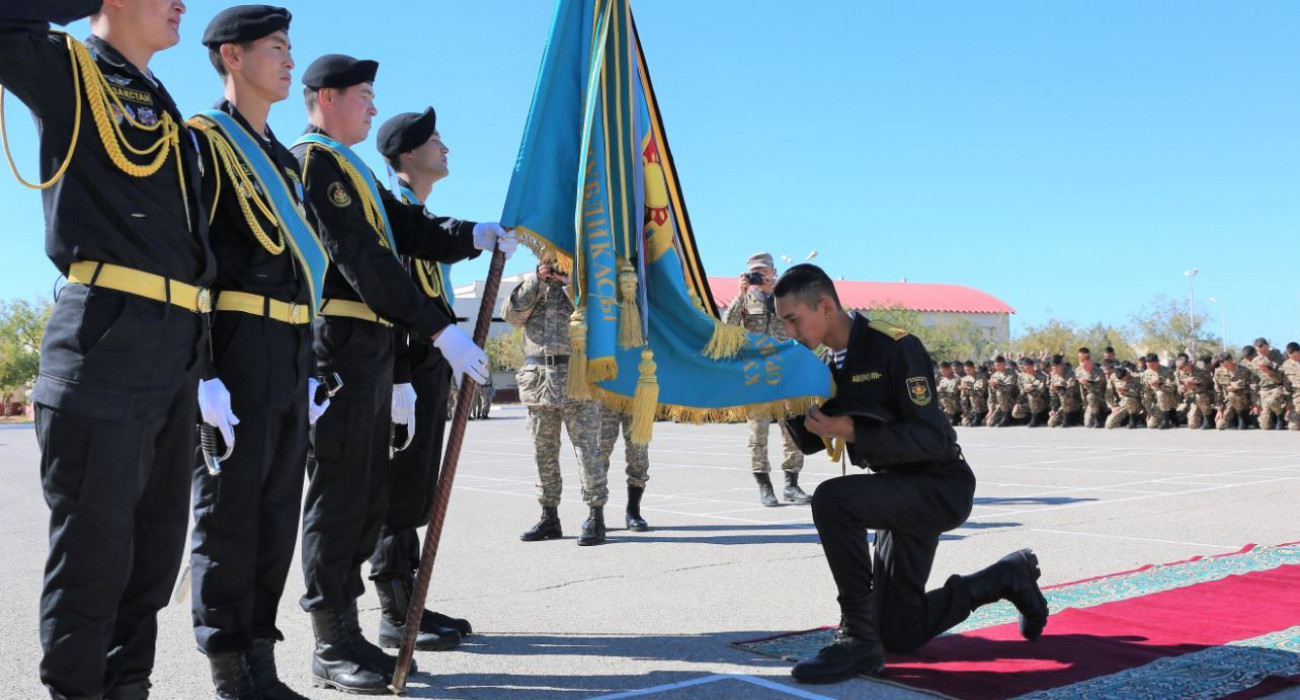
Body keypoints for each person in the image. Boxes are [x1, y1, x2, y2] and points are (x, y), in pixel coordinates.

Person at [0, 2, 214, 698]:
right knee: (94, 556)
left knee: (152, 559)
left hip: (175, 342)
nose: (183, 2)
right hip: (108, 336)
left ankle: (128, 689)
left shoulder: (160, 99)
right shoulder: (70, 67)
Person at [291, 54, 506, 692]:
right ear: (327, 99)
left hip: (372, 341)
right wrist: (438, 329)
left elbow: (407, 228)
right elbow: (361, 257)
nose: (374, 108)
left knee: (365, 496)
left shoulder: (351, 168)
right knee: (339, 495)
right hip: (341, 339)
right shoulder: (316, 161)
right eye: (364, 95)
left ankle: (351, 633)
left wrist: (474, 233)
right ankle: (332, 642)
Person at [772, 265, 1048, 684]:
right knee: (901, 633)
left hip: (937, 486)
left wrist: (852, 431)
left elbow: (933, 438)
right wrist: (782, 394)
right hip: (895, 493)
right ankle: (1006, 577)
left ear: (825, 306)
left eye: (794, 319)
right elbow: (810, 442)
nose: (789, 331)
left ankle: (856, 639)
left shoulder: (893, 347)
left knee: (832, 500)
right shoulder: (825, 364)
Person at [185, 8, 328, 700]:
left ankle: (262, 662)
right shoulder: (204, 141)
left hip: (289, 349)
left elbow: (305, 270)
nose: (288, 59)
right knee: (228, 513)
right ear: (231, 56)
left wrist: (310, 363)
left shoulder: (284, 160)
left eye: (291, 48)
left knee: (275, 511)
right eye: (276, 48)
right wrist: (202, 371)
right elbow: (193, 262)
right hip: (236, 347)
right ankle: (229, 672)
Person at [366, 108, 485, 661]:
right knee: (396, 491)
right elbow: (386, 299)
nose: (445, 148)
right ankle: (393, 614)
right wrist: (396, 375)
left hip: (428, 365)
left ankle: (411, 599)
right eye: (435, 141)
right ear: (407, 155)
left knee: (414, 488)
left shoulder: (420, 215)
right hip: (404, 366)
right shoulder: (390, 214)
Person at [503, 256, 609, 545]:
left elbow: (602, 318)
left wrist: (571, 285)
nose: (555, 269)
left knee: (587, 450)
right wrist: (537, 281)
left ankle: (596, 515)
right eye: (551, 263)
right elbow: (511, 316)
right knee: (543, 451)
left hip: (577, 379)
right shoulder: (533, 288)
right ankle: (549, 516)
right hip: (538, 381)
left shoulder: (584, 289)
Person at [723, 252, 812, 506]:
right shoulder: (747, 300)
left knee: (794, 430)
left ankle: (791, 485)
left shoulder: (785, 297)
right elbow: (728, 327)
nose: (760, 275)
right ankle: (764, 486)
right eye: (755, 271)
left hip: (786, 375)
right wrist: (740, 296)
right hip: (757, 376)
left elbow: (804, 328)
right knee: (757, 434)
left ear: (773, 272)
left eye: (764, 271)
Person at [596, 404, 652, 531]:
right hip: (606, 394)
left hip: (638, 396)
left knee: (639, 455)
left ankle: (633, 511)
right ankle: (596, 514)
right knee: (598, 456)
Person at [1174, 354, 1215, 430]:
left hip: (1206, 396)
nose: (1183, 371)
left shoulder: (1202, 371)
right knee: (1193, 425)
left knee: (1200, 396)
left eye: (1184, 369)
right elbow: (1179, 389)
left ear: (1188, 364)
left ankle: (1208, 419)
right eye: (1180, 369)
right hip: (1191, 399)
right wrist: (1181, 389)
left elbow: (1206, 387)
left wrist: (1194, 386)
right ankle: (1201, 416)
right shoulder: (1178, 373)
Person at [1214, 354, 1255, 430]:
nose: (1225, 367)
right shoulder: (1219, 372)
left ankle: (1242, 417)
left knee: (1233, 394)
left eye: (1226, 365)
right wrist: (1219, 410)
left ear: (1231, 361)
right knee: (1220, 426)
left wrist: (1254, 404)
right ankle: (1234, 419)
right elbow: (1218, 391)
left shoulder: (1245, 371)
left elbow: (1252, 387)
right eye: (1222, 365)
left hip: (1244, 402)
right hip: (1228, 403)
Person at [1140, 353, 1179, 429]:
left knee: (1160, 393)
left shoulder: (1168, 371)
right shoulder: (1146, 374)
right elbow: (1147, 393)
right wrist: (1148, 410)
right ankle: (1171, 415)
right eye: (1149, 366)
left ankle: (1166, 420)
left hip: (1171, 399)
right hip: (1158, 402)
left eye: (1152, 365)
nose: (1151, 368)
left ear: (1158, 362)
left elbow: (1172, 388)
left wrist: (1159, 385)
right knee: (1151, 425)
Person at [1075, 348, 1107, 428]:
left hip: (1098, 400)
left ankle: (1098, 418)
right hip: (1084, 400)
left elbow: (1098, 389)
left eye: (1084, 359)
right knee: (1087, 424)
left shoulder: (1098, 371)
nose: (1081, 361)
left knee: (1091, 396)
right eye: (1080, 359)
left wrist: (1087, 384)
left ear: (1089, 360)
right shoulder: (1078, 370)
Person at [985, 356, 1017, 427]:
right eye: (995, 365)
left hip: (1012, 401)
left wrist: (998, 384)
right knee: (989, 423)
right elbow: (991, 395)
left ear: (1004, 364)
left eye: (998, 365)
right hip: (999, 404)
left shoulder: (1012, 373)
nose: (997, 367)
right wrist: (991, 410)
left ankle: (1006, 417)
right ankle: (1004, 417)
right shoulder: (994, 376)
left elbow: (1009, 388)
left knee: (1000, 392)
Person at [959, 361, 987, 427]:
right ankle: (972, 416)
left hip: (982, 405)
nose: (967, 372)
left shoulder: (981, 377)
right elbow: (963, 397)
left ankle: (978, 416)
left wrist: (967, 388)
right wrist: (965, 411)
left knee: (974, 396)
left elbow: (980, 392)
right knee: (965, 423)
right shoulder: (964, 379)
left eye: (969, 370)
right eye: (966, 370)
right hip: (971, 407)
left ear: (973, 368)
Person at [935, 362, 962, 426]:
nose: (942, 372)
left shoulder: (956, 379)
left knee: (952, 423)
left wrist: (941, 389)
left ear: (949, 369)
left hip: (956, 408)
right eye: (941, 370)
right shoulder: (942, 380)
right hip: (946, 408)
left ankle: (955, 417)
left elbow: (953, 389)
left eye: (944, 370)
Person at [1281, 342, 1300, 431]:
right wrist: (1288, 404)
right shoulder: (1286, 365)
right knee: (1293, 427)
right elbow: (1286, 384)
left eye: (1296, 357)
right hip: (1295, 395)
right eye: (1292, 358)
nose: (1294, 360)